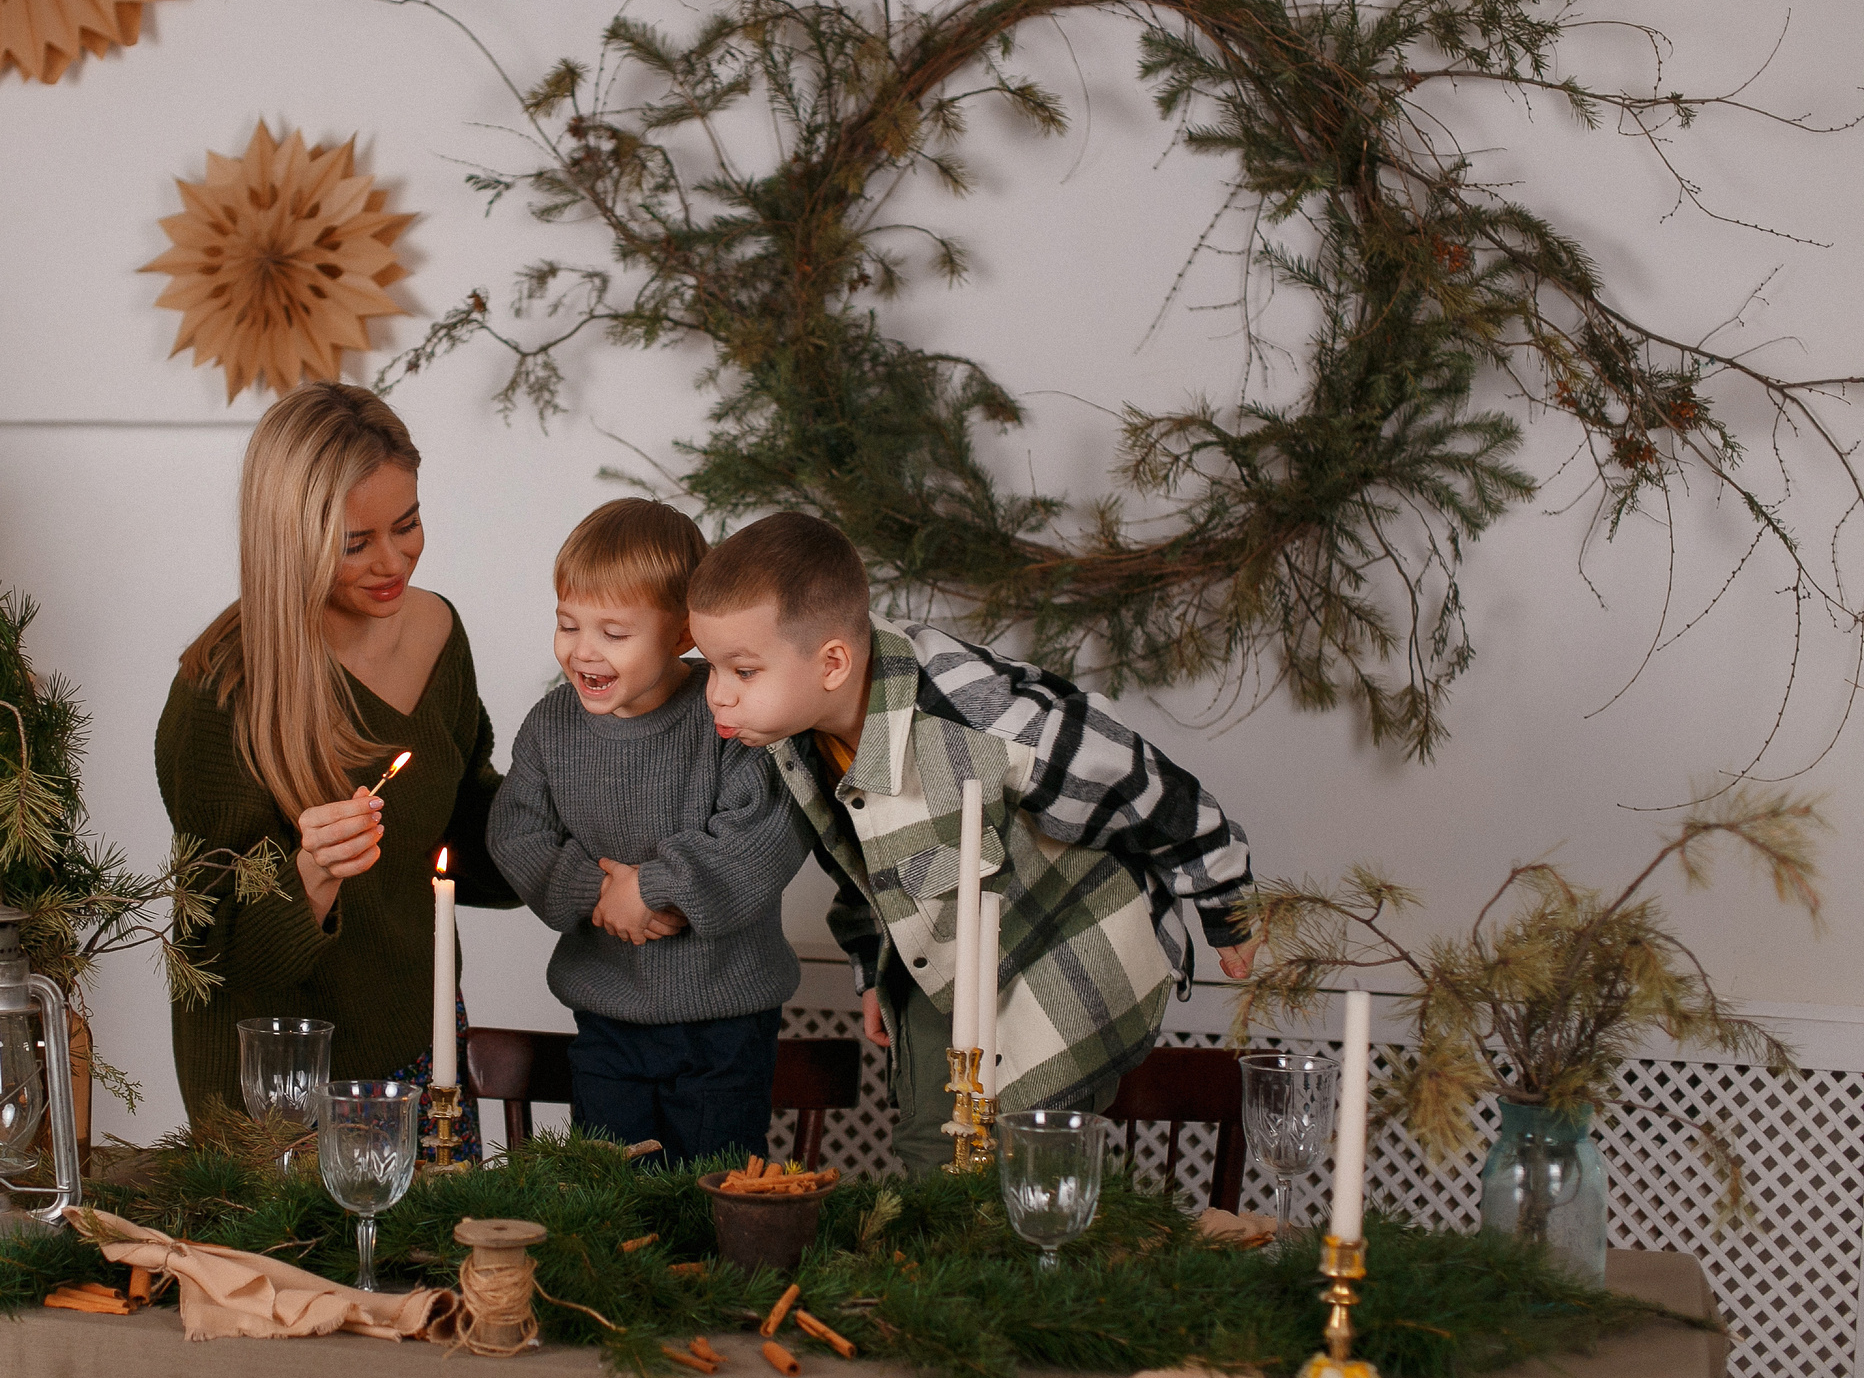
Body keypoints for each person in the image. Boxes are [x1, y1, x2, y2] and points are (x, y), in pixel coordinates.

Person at [685, 512, 1258, 1175]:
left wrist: (1225, 900)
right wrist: (873, 968)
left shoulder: (972, 713)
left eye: (743, 670)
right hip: (950, 958)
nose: (716, 695)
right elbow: (859, 863)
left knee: (1027, 1169)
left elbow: (1134, 776)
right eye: (712, 667)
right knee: (935, 1151)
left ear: (833, 661)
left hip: (1067, 948)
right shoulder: (792, 735)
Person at [156, 383, 515, 1141]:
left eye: (408, 523)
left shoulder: (439, 634)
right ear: (292, 537)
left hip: (423, 1053)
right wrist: (312, 874)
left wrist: (576, 808)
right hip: (280, 1089)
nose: (394, 561)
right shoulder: (220, 696)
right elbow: (211, 959)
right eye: (356, 543)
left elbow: (464, 828)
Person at [488, 499, 811, 1164]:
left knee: (713, 1197)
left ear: (682, 633)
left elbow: (767, 831)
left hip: (726, 1020)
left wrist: (656, 887)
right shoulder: (552, 727)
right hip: (608, 1020)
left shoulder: (726, 711)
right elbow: (516, 831)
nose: (583, 650)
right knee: (613, 1198)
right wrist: (600, 892)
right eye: (568, 623)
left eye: (613, 631)